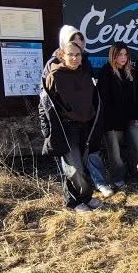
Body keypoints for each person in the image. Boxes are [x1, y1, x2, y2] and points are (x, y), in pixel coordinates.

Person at [43, 25, 110, 195]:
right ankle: (74, 199)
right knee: (72, 165)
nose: (78, 42)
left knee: (86, 158)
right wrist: (47, 129)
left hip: (85, 123)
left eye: (80, 39)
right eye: (74, 39)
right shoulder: (53, 69)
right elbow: (45, 101)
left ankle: (88, 194)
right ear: (63, 52)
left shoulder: (84, 66)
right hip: (66, 126)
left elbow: (91, 94)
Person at [97, 44, 138, 189]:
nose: (123, 58)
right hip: (112, 121)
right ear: (113, 56)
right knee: (115, 153)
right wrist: (111, 122)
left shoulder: (132, 71)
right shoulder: (105, 72)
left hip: (131, 118)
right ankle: (118, 178)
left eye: (125, 54)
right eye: (119, 55)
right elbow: (104, 100)